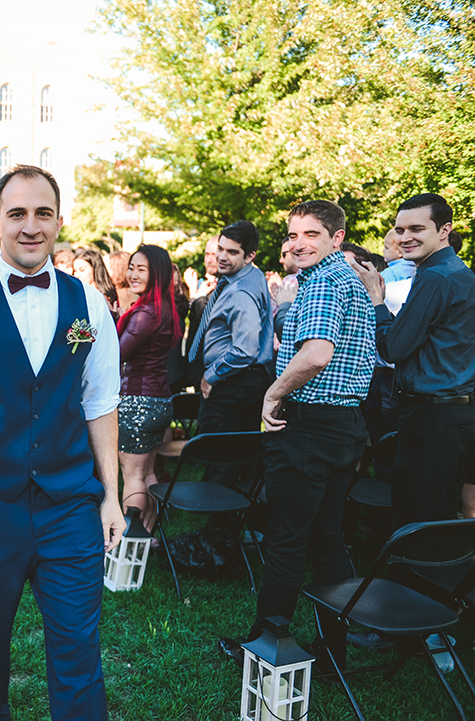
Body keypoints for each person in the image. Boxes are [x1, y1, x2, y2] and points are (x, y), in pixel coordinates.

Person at [0, 165, 123, 721]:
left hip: (69, 506)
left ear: (59, 222)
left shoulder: (92, 305)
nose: (30, 226)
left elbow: (101, 403)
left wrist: (110, 496)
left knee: (79, 652)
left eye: (42, 214)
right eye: (17, 214)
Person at [220, 200, 374, 671]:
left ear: (337, 238)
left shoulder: (326, 281)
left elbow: (317, 354)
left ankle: (267, 646)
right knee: (327, 540)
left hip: (309, 425)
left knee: (286, 540)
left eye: (311, 233)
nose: (298, 243)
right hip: (344, 426)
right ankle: (334, 650)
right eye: (292, 234)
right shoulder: (348, 280)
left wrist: (272, 393)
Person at [348, 193, 475, 530]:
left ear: (444, 229)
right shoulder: (456, 271)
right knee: (437, 515)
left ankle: (420, 584)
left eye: (416, 229)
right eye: (399, 230)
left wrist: (376, 299)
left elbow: (392, 348)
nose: (405, 238)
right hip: (452, 414)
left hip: (434, 416)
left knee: (421, 521)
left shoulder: (437, 277)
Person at [188, 221, 273, 490]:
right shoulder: (248, 277)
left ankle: (217, 530)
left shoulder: (240, 291)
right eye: (220, 249)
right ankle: (234, 521)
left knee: (220, 457)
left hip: (232, 382)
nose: (222, 257)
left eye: (232, 252)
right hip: (244, 380)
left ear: (250, 256)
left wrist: (211, 376)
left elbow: (245, 349)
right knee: (236, 456)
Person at [117, 244, 181, 529]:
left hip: (137, 403)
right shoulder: (163, 307)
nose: (132, 274)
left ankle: (130, 542)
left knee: (132, 475)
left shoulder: (146, 313)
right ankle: (150, 535)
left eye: (141, 269)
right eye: (131, 267)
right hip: (158, 402)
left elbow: (117, 354)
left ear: (157, 274)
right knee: (147, 473)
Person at [73, 247, 120, 312]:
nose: (77, 275)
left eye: (82, 270)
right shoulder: (77, 293)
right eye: (75, 271)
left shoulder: (103, 296)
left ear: (95, 269)